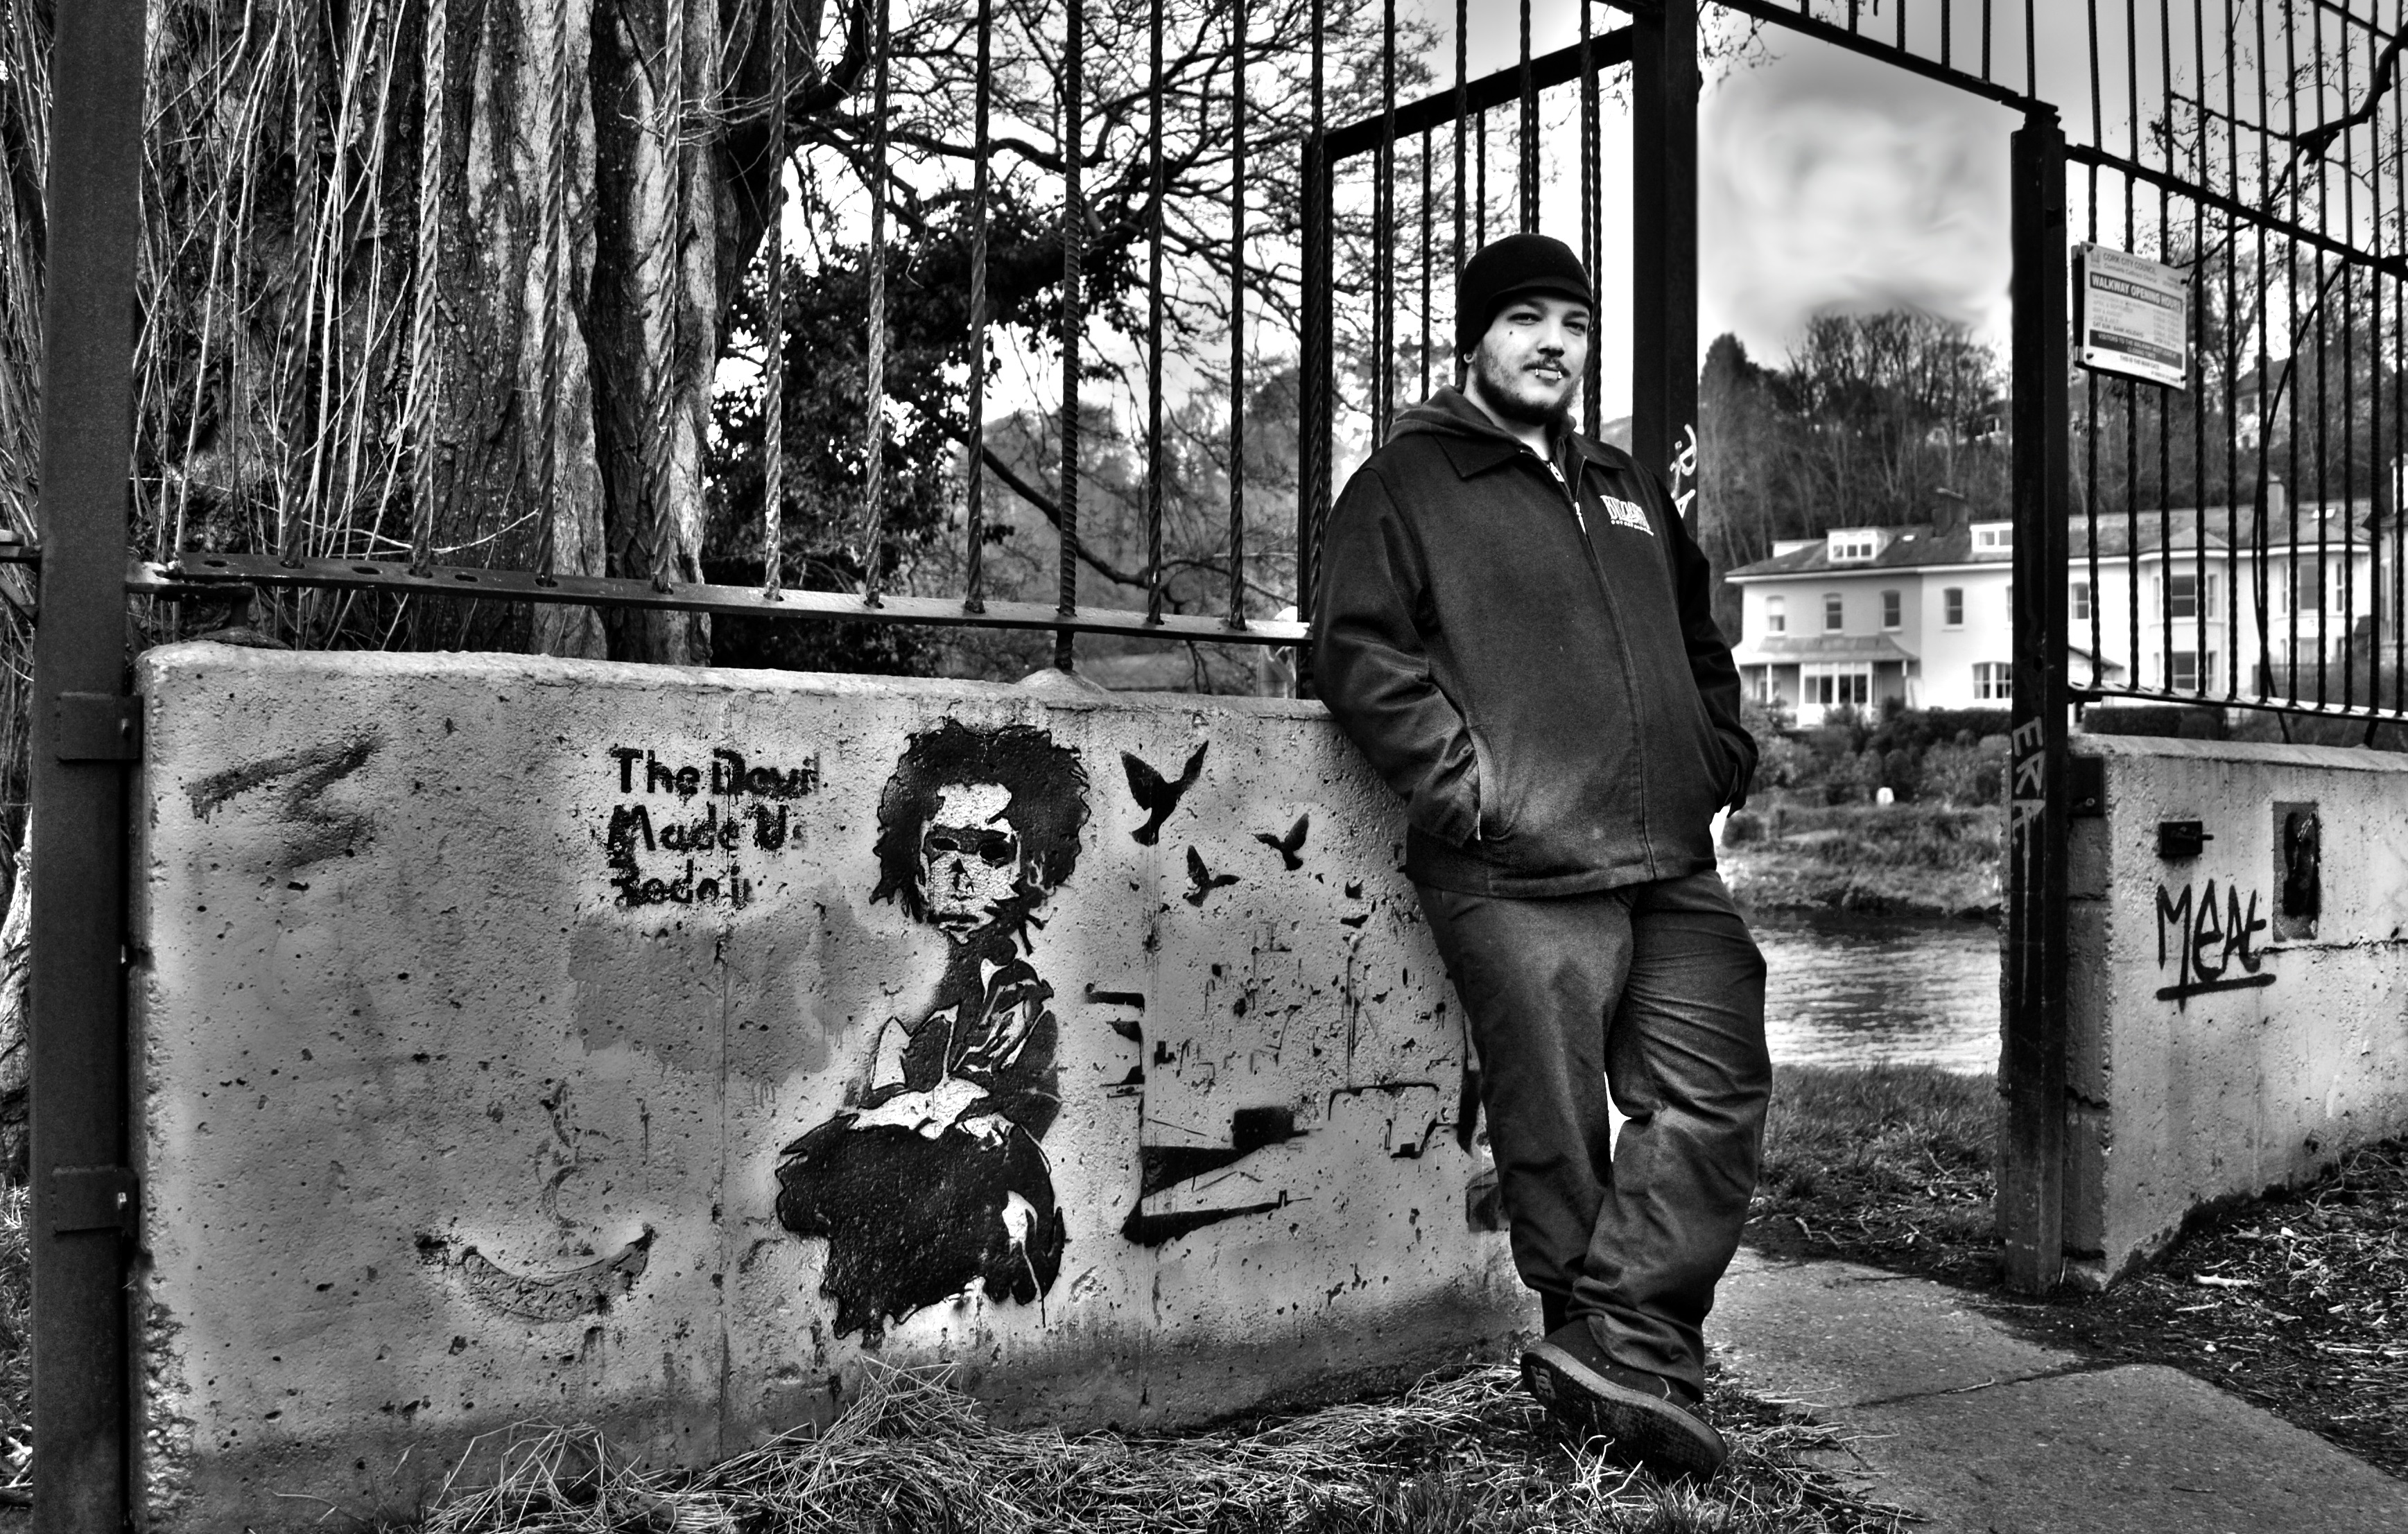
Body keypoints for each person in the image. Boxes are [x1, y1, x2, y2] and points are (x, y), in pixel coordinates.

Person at [1310, 234, 1768, 1479]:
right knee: (1555, 1136)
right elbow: (1355, 650)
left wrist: (1717, 750)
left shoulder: (1621, 484)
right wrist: (1472, 791)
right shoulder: (1406, 482)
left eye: (1572, 320)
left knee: (1715, 1085)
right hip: (1511, 869)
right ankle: (1605, 1374)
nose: (1553, 342)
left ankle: (1620, 1341)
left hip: (1666, 855)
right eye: (1524, 318)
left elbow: (1697, 633)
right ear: (1476, 336)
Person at [775, 720, 1089, 1345]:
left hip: (980, 1217)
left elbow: (961, 1110)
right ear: (915, 863)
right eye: (943, 847)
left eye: (990, 851)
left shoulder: (1016, 994)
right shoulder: (945, 993)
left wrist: (895, 1112)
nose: (960, 875)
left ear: (1032, 867)